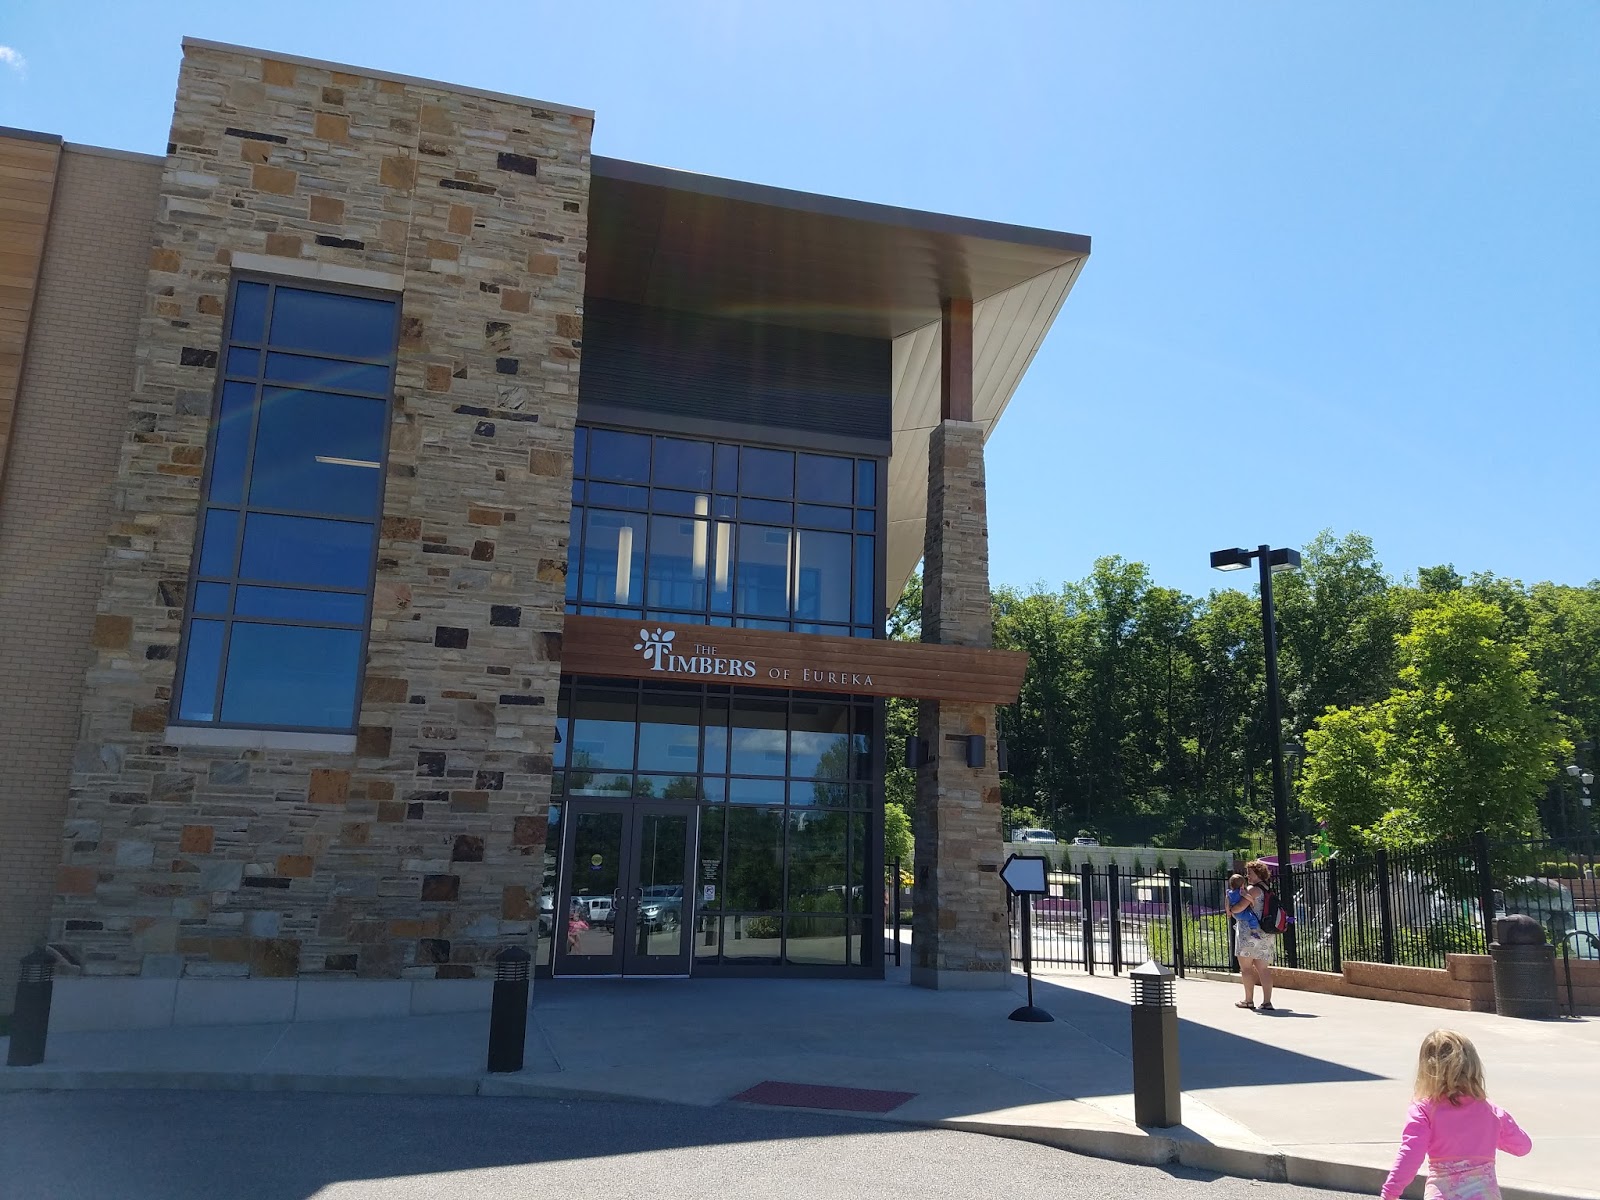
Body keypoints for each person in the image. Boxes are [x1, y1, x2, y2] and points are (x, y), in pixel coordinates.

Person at [1382, 1029, 1532, 1200]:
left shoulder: (1424, 1109)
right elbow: (1523, 1146)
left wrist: (1390, 1192)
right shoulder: (1490, 1111)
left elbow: (1411, 1154)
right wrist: (1490, 1136)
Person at [1228, 859, 1276, 1011]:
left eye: (1250, 873)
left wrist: (1230, 907)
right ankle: (1267, 1002)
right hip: (1265, 934)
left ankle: (1248, 1000)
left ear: (1258, 874)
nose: (1248, 876)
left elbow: (1238, 908)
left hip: (1248, 933)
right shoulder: (1267, 889)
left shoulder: (1252, 890)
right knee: (1263, 969)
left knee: (1246, 968)